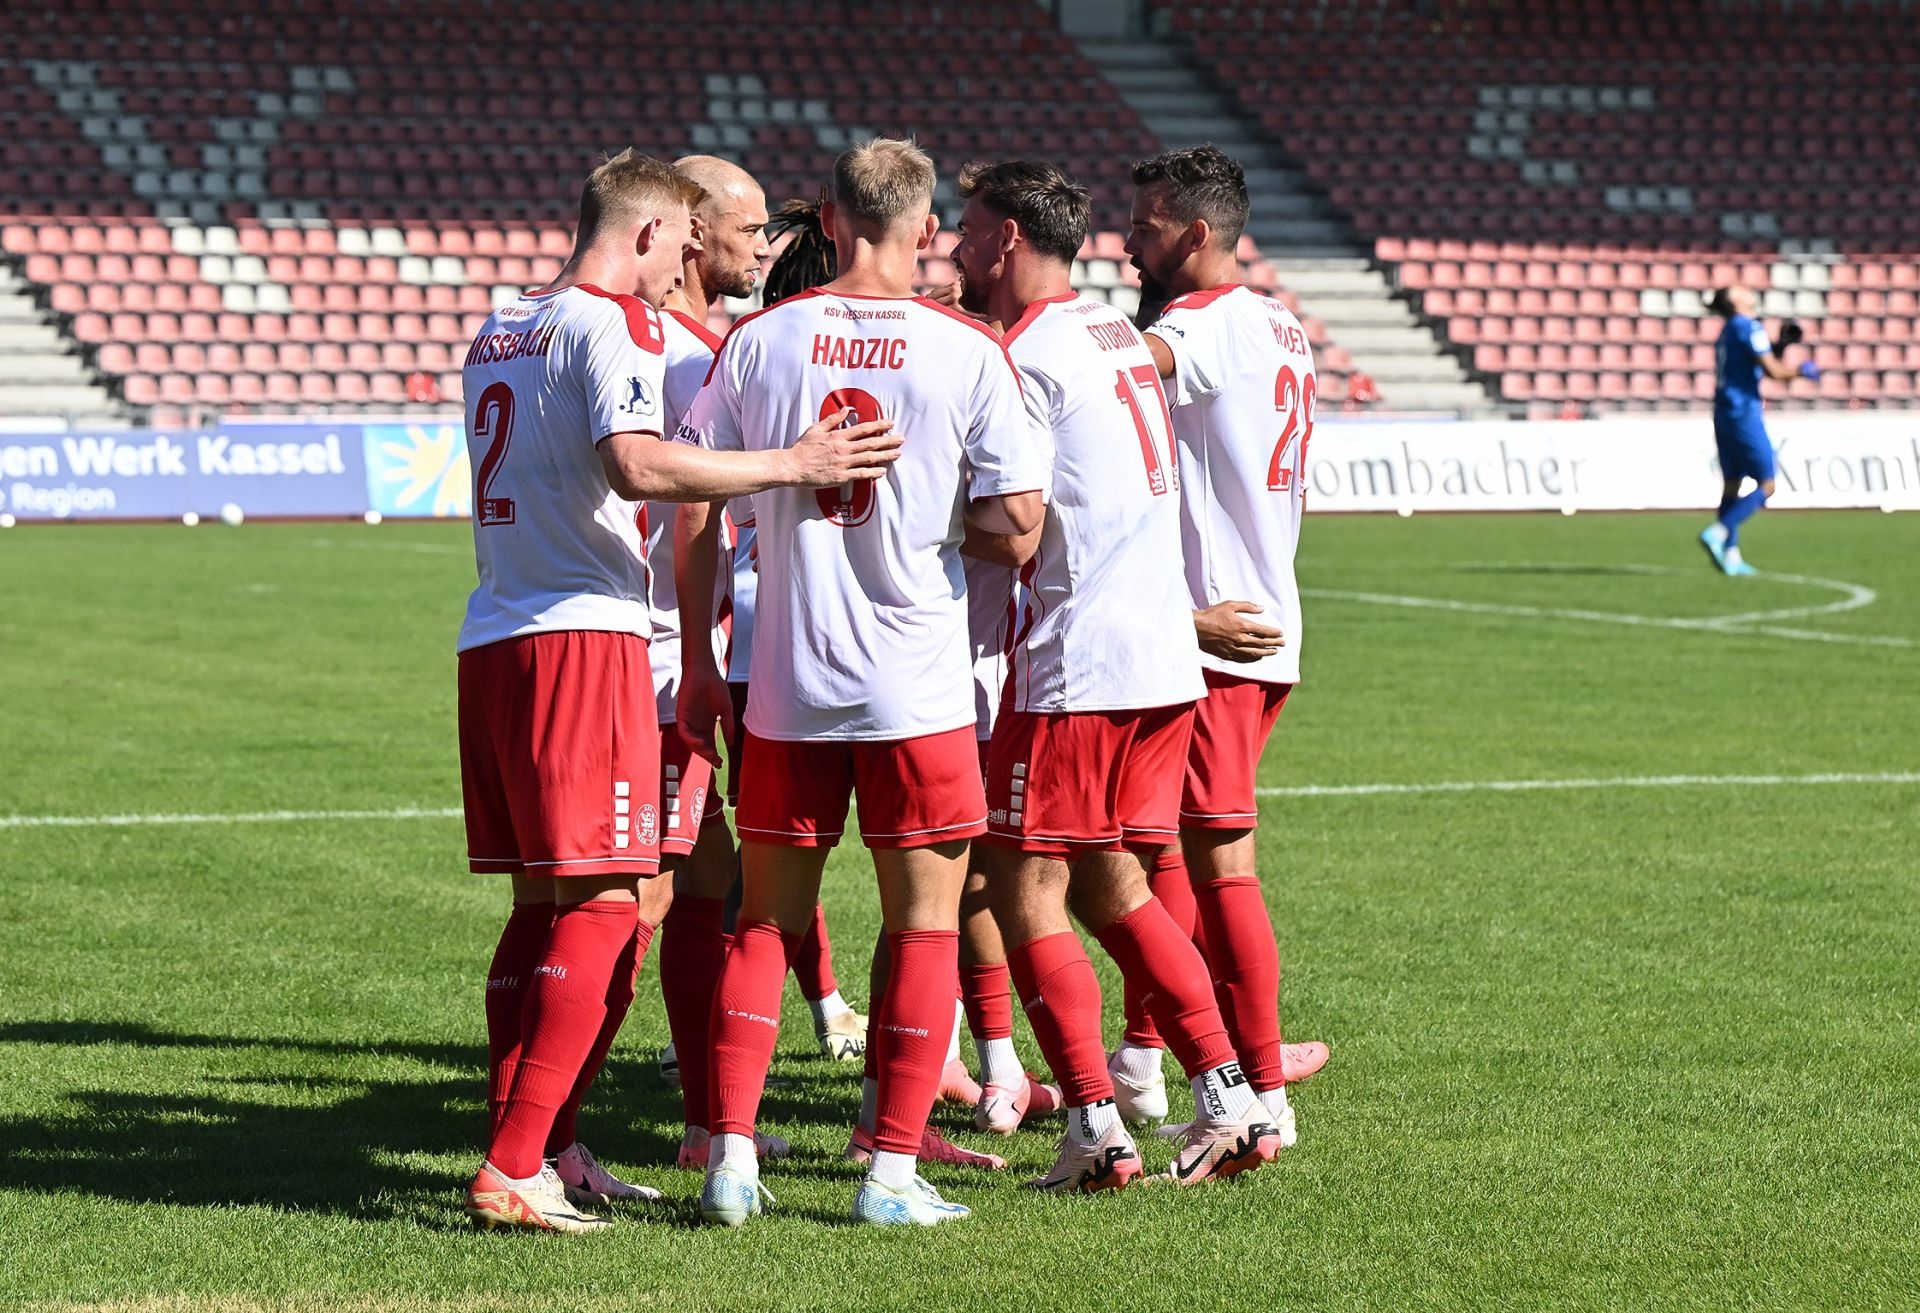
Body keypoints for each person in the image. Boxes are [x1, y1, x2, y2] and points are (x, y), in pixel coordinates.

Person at [458, 149, 902, 1234]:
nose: (694, 263)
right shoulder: (626, 330)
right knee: (616, 903)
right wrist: (795, 463)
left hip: (499, 627)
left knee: (561, 901)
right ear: (661, 231)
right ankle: (520, 1156)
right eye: (704, 236)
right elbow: (643, 468)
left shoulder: (502, 325)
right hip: (600, 644)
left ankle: (558, 1143)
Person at [675, 137, 1048, 1228]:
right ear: (926, 229)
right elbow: (1021, 526)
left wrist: (699, 654)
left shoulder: (758, 339)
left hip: (790, 678)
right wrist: (939, 515)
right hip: (916, 687)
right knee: (923, 925)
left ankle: (730, 1159)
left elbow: (694, 499)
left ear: (830, 219)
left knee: (763, 923)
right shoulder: (968, 347)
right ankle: (888, 1172)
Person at [949, 158, 1282, 1192]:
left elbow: (1017, 531)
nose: (955, 248)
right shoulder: (1111, 332)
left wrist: (921, 516)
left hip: (1076, 663)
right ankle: (1232, 1098)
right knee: (1114, 882)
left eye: (967, 231)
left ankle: (1095, 1123)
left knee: (1022, 885)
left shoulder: (1022, 356)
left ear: (1006, 239)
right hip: (1163, 661)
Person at [1115, 143, 1330, 1149]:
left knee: (1210, 862)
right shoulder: (1278, 320)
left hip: (1217, 634)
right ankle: (1151, 1058)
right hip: (1256, 618)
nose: (1128, 242)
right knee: (1159, 849)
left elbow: (1121, 372)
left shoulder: (1200, 322)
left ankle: (1257, 1088)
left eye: (1145, 225)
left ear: (1197, 233)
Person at [1698, 286, 1816, 576]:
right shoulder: (1749, 327)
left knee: (1732, 484)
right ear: (1734, 300)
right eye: (1741, 290)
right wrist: (1802, 371)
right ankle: (1719, 532)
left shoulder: (1729, 329)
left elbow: (1753, 365)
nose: (1749, 291)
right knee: (1767, 483)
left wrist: (1781, 345)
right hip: (1744, 413)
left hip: (1723, 412)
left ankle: (1731, 556)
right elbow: (1774, 372)